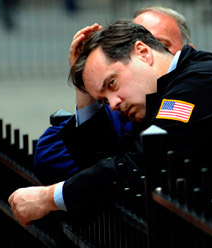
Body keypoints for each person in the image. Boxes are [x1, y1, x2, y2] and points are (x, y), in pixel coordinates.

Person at [9, 20, 212, 226]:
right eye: (104, 98)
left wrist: (49, 198)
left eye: (112, 83)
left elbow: (139, 165)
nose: (113, 104)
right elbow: (110, 164)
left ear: (142, 52)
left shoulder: (198, 85)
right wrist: (85, 90)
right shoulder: (168, 90)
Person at [34, 6, 193, 185]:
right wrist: (87, 82)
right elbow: (50, 158)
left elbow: (140, 167)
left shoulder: (188, 97)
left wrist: (54, 197)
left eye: (161, 44)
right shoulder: (120, 106)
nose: (152, 51)